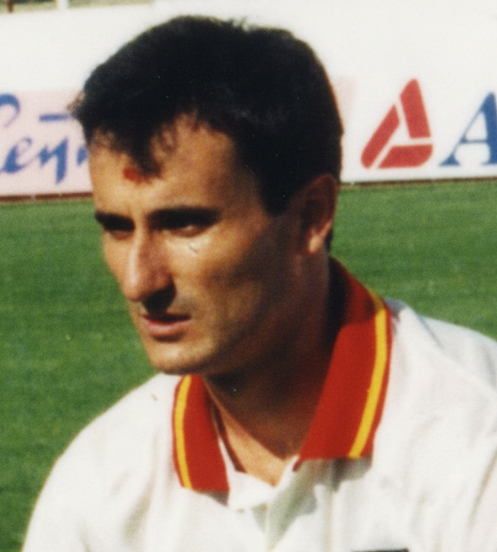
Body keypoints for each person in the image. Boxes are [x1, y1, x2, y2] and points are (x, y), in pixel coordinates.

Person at [23, 15, 497, 552]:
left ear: (310, 216)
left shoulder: (474, 434)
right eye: (117, 227)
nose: (138, 281)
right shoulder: (99, 485)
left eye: (183, 224)